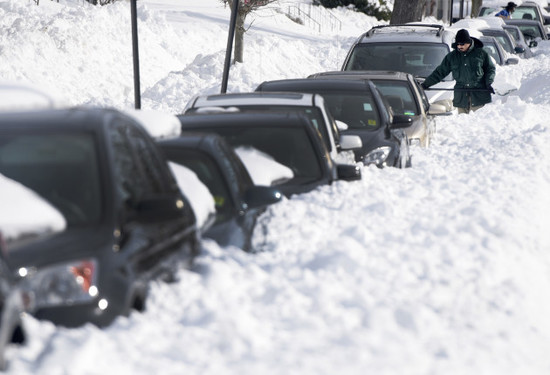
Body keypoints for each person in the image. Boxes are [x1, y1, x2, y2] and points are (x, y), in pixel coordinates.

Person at [421, 29, 496, 114]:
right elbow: (439, 72)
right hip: (461, 99)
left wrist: (488, 83)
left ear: (468, 42)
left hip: (478, 97)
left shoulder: (481, 54)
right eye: (458, 44)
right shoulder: (452, 57)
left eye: (462, 44)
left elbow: (490, 69)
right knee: (462, 124)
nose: (460, 46)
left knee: (477, 124)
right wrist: (425, 84)